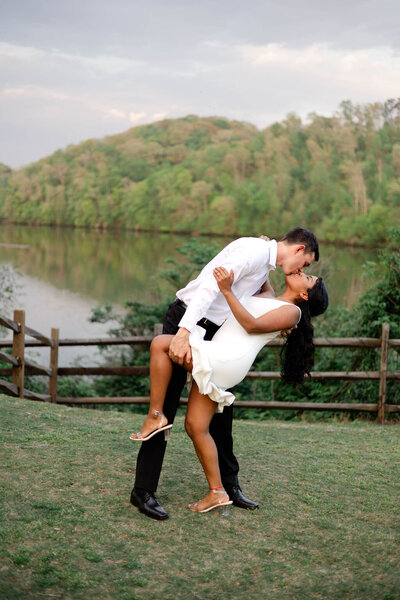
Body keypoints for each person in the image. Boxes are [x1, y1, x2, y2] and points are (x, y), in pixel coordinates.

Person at [130, 227, 320, 520]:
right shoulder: (253, 252)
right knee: (167, 405)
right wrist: (183, 331)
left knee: (219, 417)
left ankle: (227, 487)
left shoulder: (264, 265)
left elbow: (260, 309)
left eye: (306, 272)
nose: (302, 269)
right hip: (190, 319)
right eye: (306, 263)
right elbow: (209, 287)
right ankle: (143, 490)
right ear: (299, 249)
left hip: (216, 335)